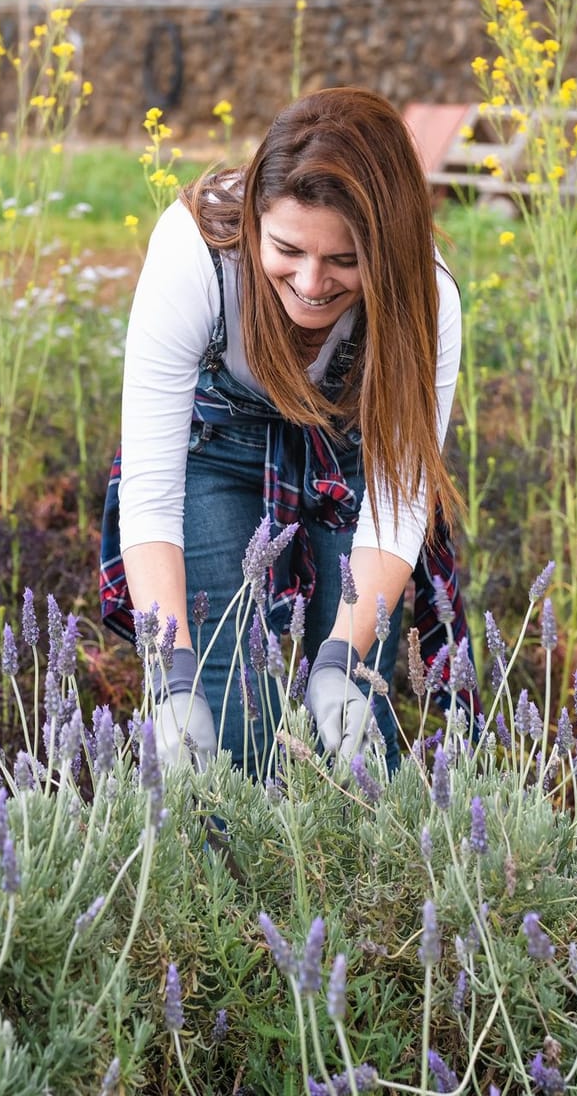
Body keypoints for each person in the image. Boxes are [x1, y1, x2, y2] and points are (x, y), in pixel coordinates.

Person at [99, 86, 478, 776]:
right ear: (253, 221)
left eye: (344, 261)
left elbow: (397, 507)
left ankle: (369, 879)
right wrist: (173, 673)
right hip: (215, 455)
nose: (310, 282)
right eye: (288, 249)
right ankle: (229, 879)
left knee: (357, 721)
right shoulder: (194, 255)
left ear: (386, 251)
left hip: (350, 462)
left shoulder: (428, 297)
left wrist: (339, 658)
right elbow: (151, 497)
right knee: (228, 720)